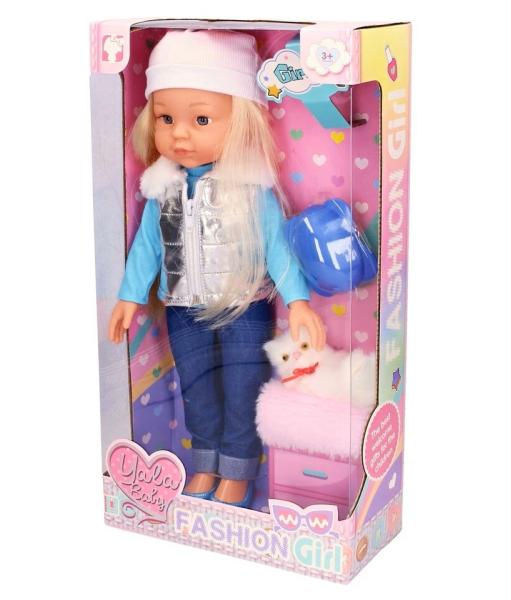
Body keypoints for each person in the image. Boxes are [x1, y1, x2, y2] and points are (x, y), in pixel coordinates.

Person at [108, 29, 325, 507]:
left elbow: (277, 248)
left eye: (201, 119)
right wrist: (128, 296)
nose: (179, 133)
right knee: (197, 389)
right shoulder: (162, 187)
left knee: (243, 389)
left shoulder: (249, 187)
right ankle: (205, 462)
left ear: (241, 121)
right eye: (165, 118)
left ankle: (238, 470)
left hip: (243, 305)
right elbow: (147, 247)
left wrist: (299, 302)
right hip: (182, 307)